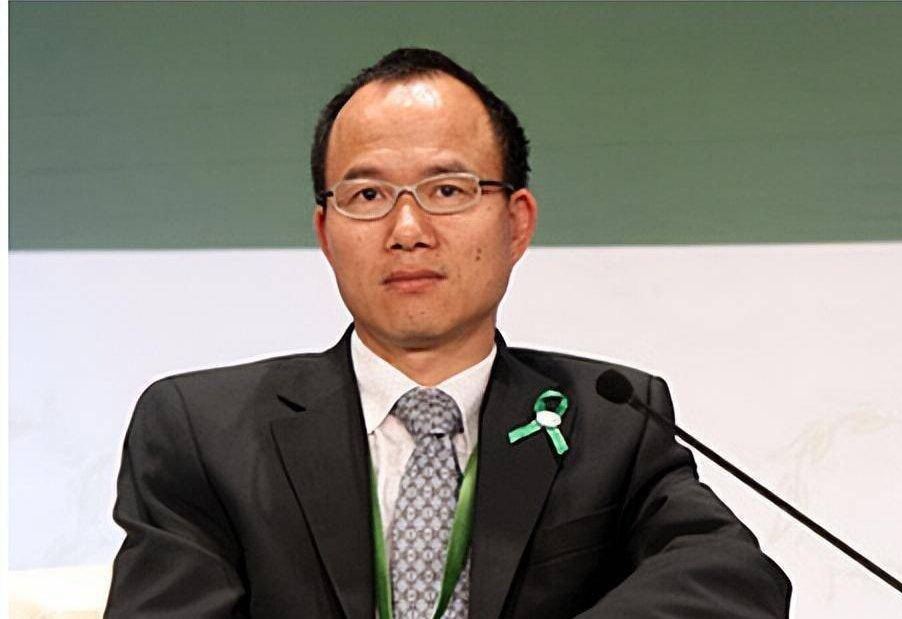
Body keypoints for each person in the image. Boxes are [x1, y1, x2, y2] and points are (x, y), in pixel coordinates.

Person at [105, 48, 791, 618]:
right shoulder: (203, 431)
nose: (408, 231)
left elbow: (731, 578)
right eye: (367, 195)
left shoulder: (609, 421)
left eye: (448, 190)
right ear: (326, 232)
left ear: (516, 223)